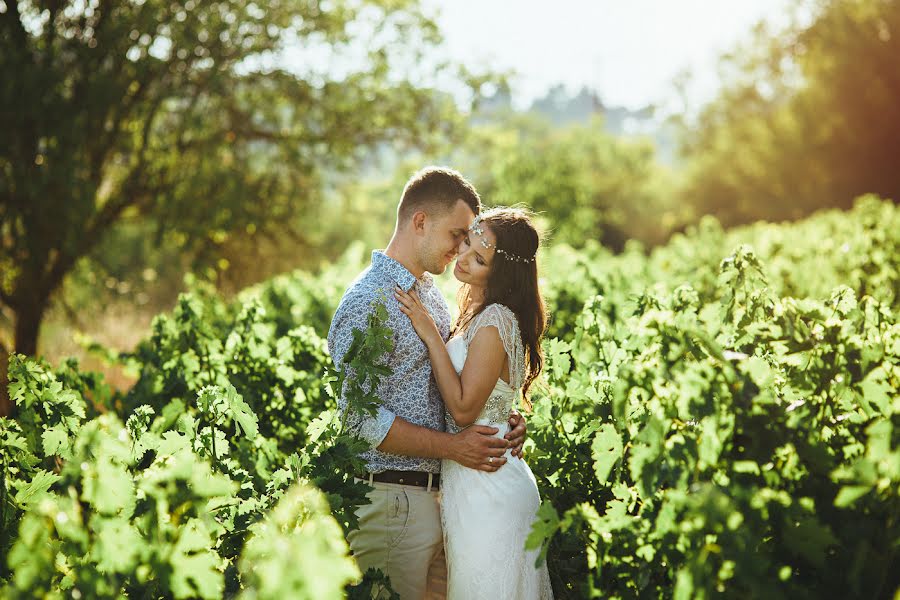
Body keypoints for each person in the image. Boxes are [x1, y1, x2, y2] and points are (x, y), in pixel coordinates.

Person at [327, 167, 528, 599]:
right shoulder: (369, 301)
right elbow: (358, 419)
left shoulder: (429, 292)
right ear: (420, 222)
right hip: (392, 502)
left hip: (447, 503)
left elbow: (459, 383)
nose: (461, 249)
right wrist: (453, 447)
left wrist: (501, 417)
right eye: (457, 234)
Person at [394, 206, 554, 599]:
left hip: (491, 486)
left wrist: (431, 335)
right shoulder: (474, 312)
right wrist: (509, 415)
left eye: (479, 259)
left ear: (499, 274)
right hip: (471, 477)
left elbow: (464, 409)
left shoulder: (496, 318)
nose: (463, 257)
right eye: (467, 241)